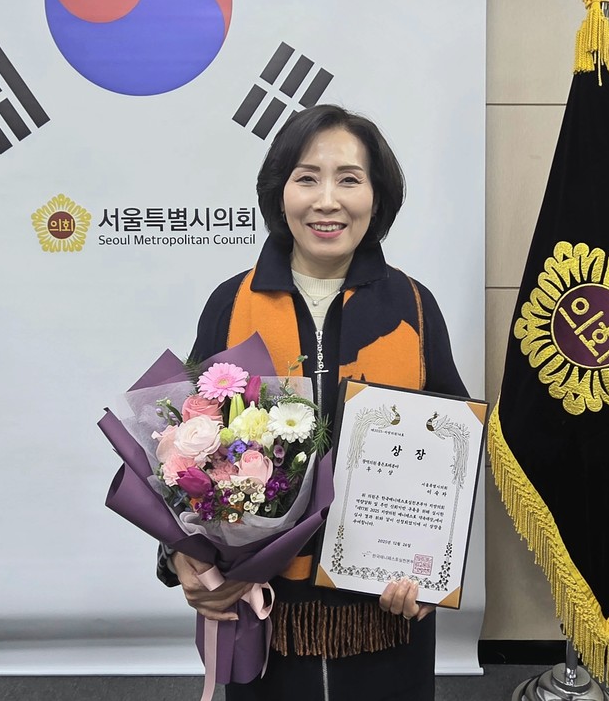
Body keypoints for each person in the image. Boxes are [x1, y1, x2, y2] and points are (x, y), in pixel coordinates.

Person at [157, 103, 467, 700]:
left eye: (349, 179)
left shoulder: (414, 307)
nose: (328, 201)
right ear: (280, 193)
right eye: (307, 178)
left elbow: (451, 454)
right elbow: (184, 446)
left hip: (382, 607)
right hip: (263, 605)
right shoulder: (232, 303)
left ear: (377, 196)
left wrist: (435, 568)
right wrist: (179, 554)